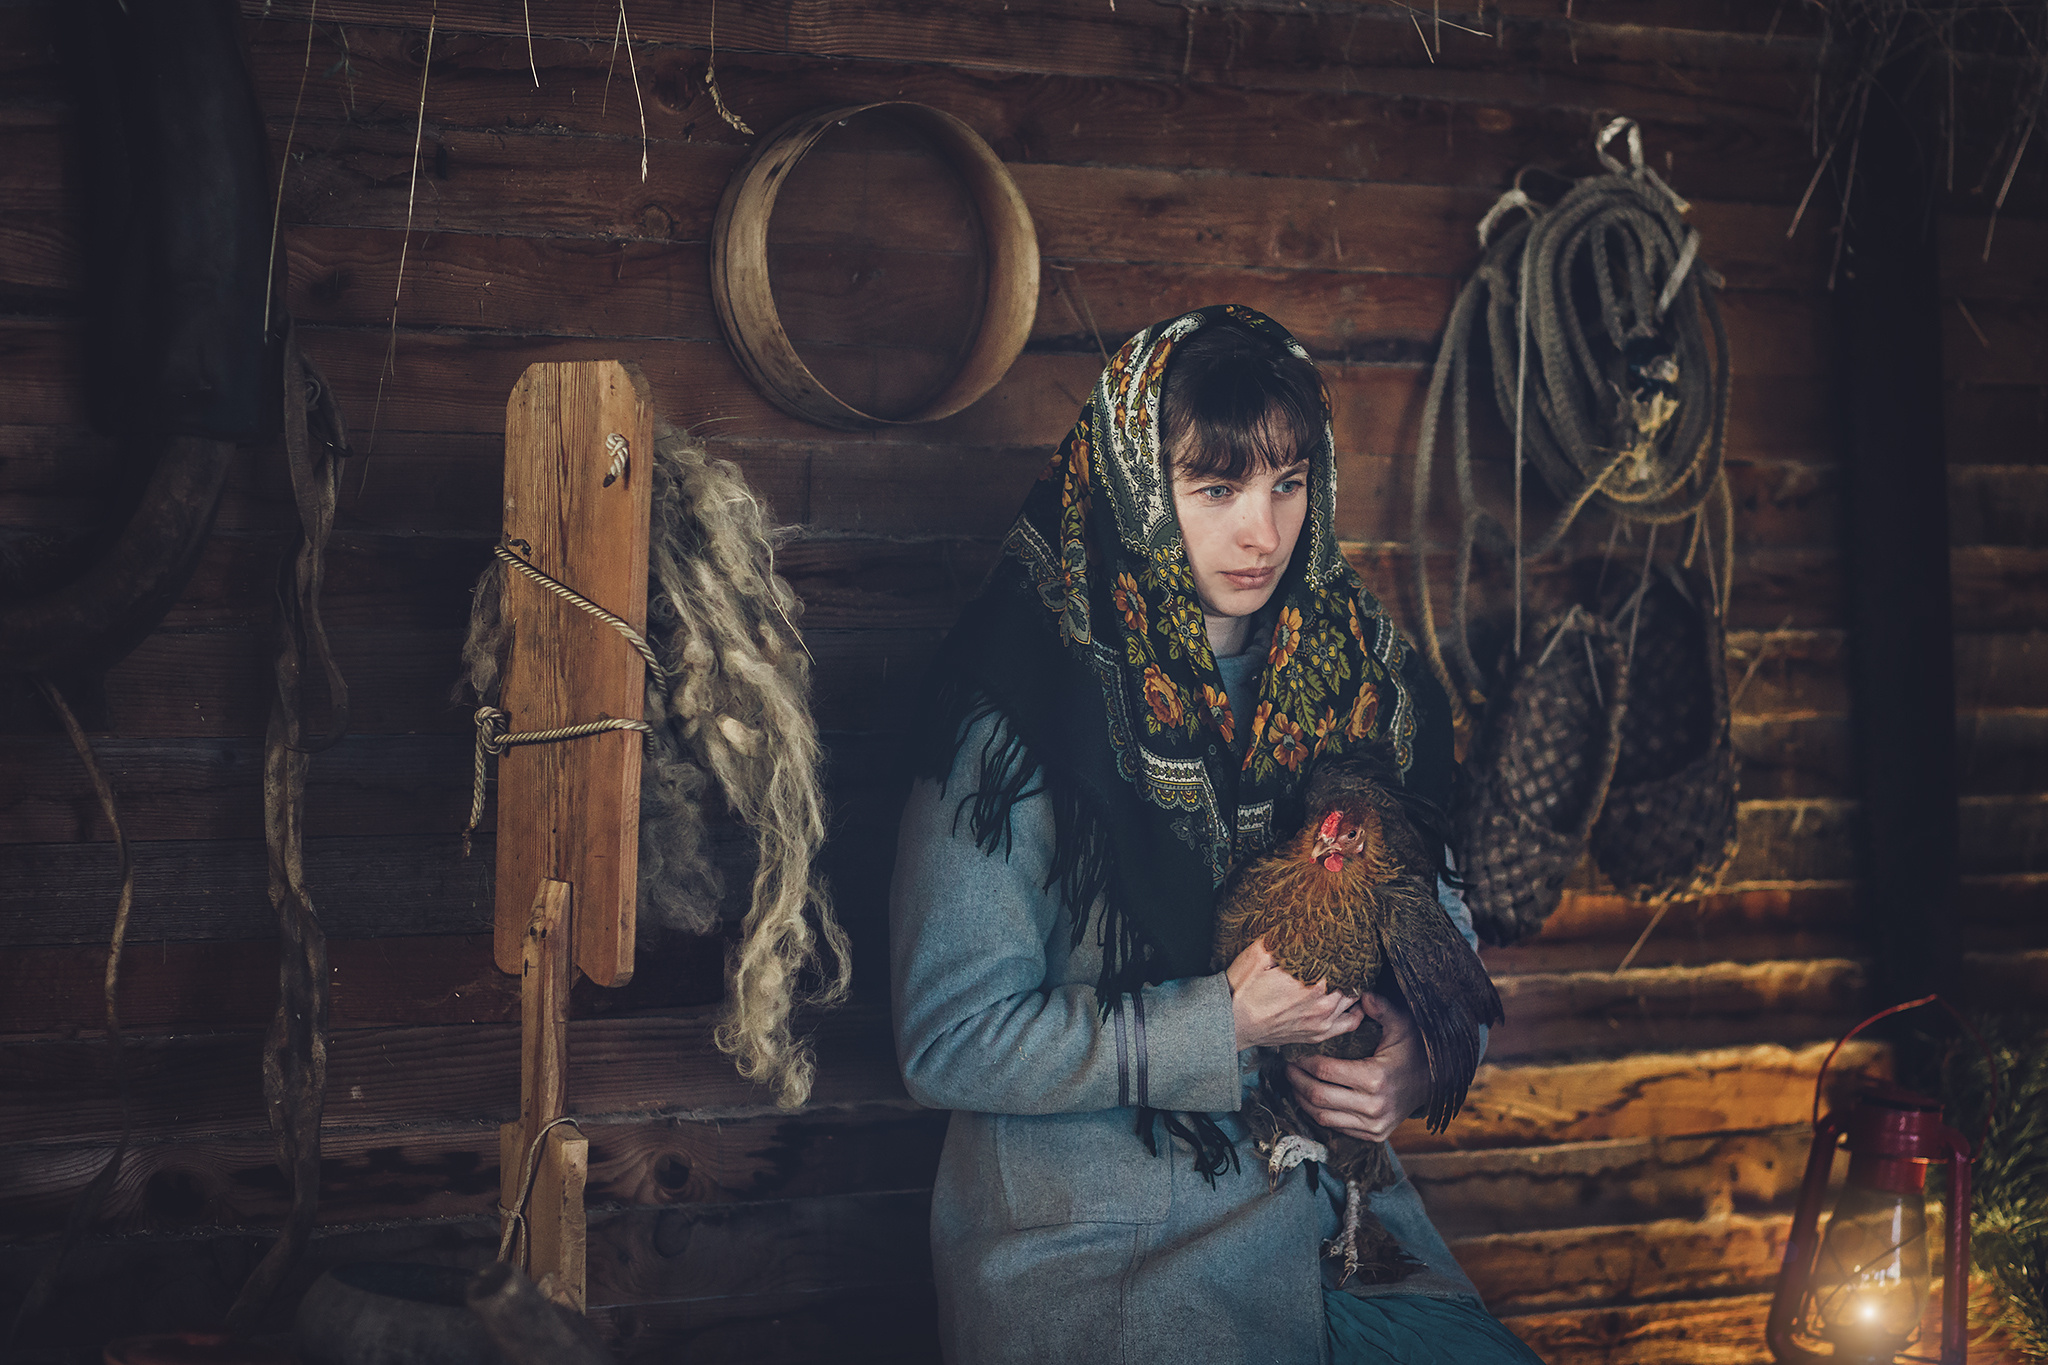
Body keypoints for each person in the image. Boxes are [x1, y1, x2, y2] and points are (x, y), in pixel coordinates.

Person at [890, 306, 1544, 1364]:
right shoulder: (1018, 706)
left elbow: (1443, 931)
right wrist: (1219, 1025)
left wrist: (1419, 1062)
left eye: (1289, 483)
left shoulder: (1366, 681)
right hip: (1099, 1248)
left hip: (1338, 1227)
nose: (1263, 533)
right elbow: (947, 1041)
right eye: (1215, 489)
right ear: (1137, 488)